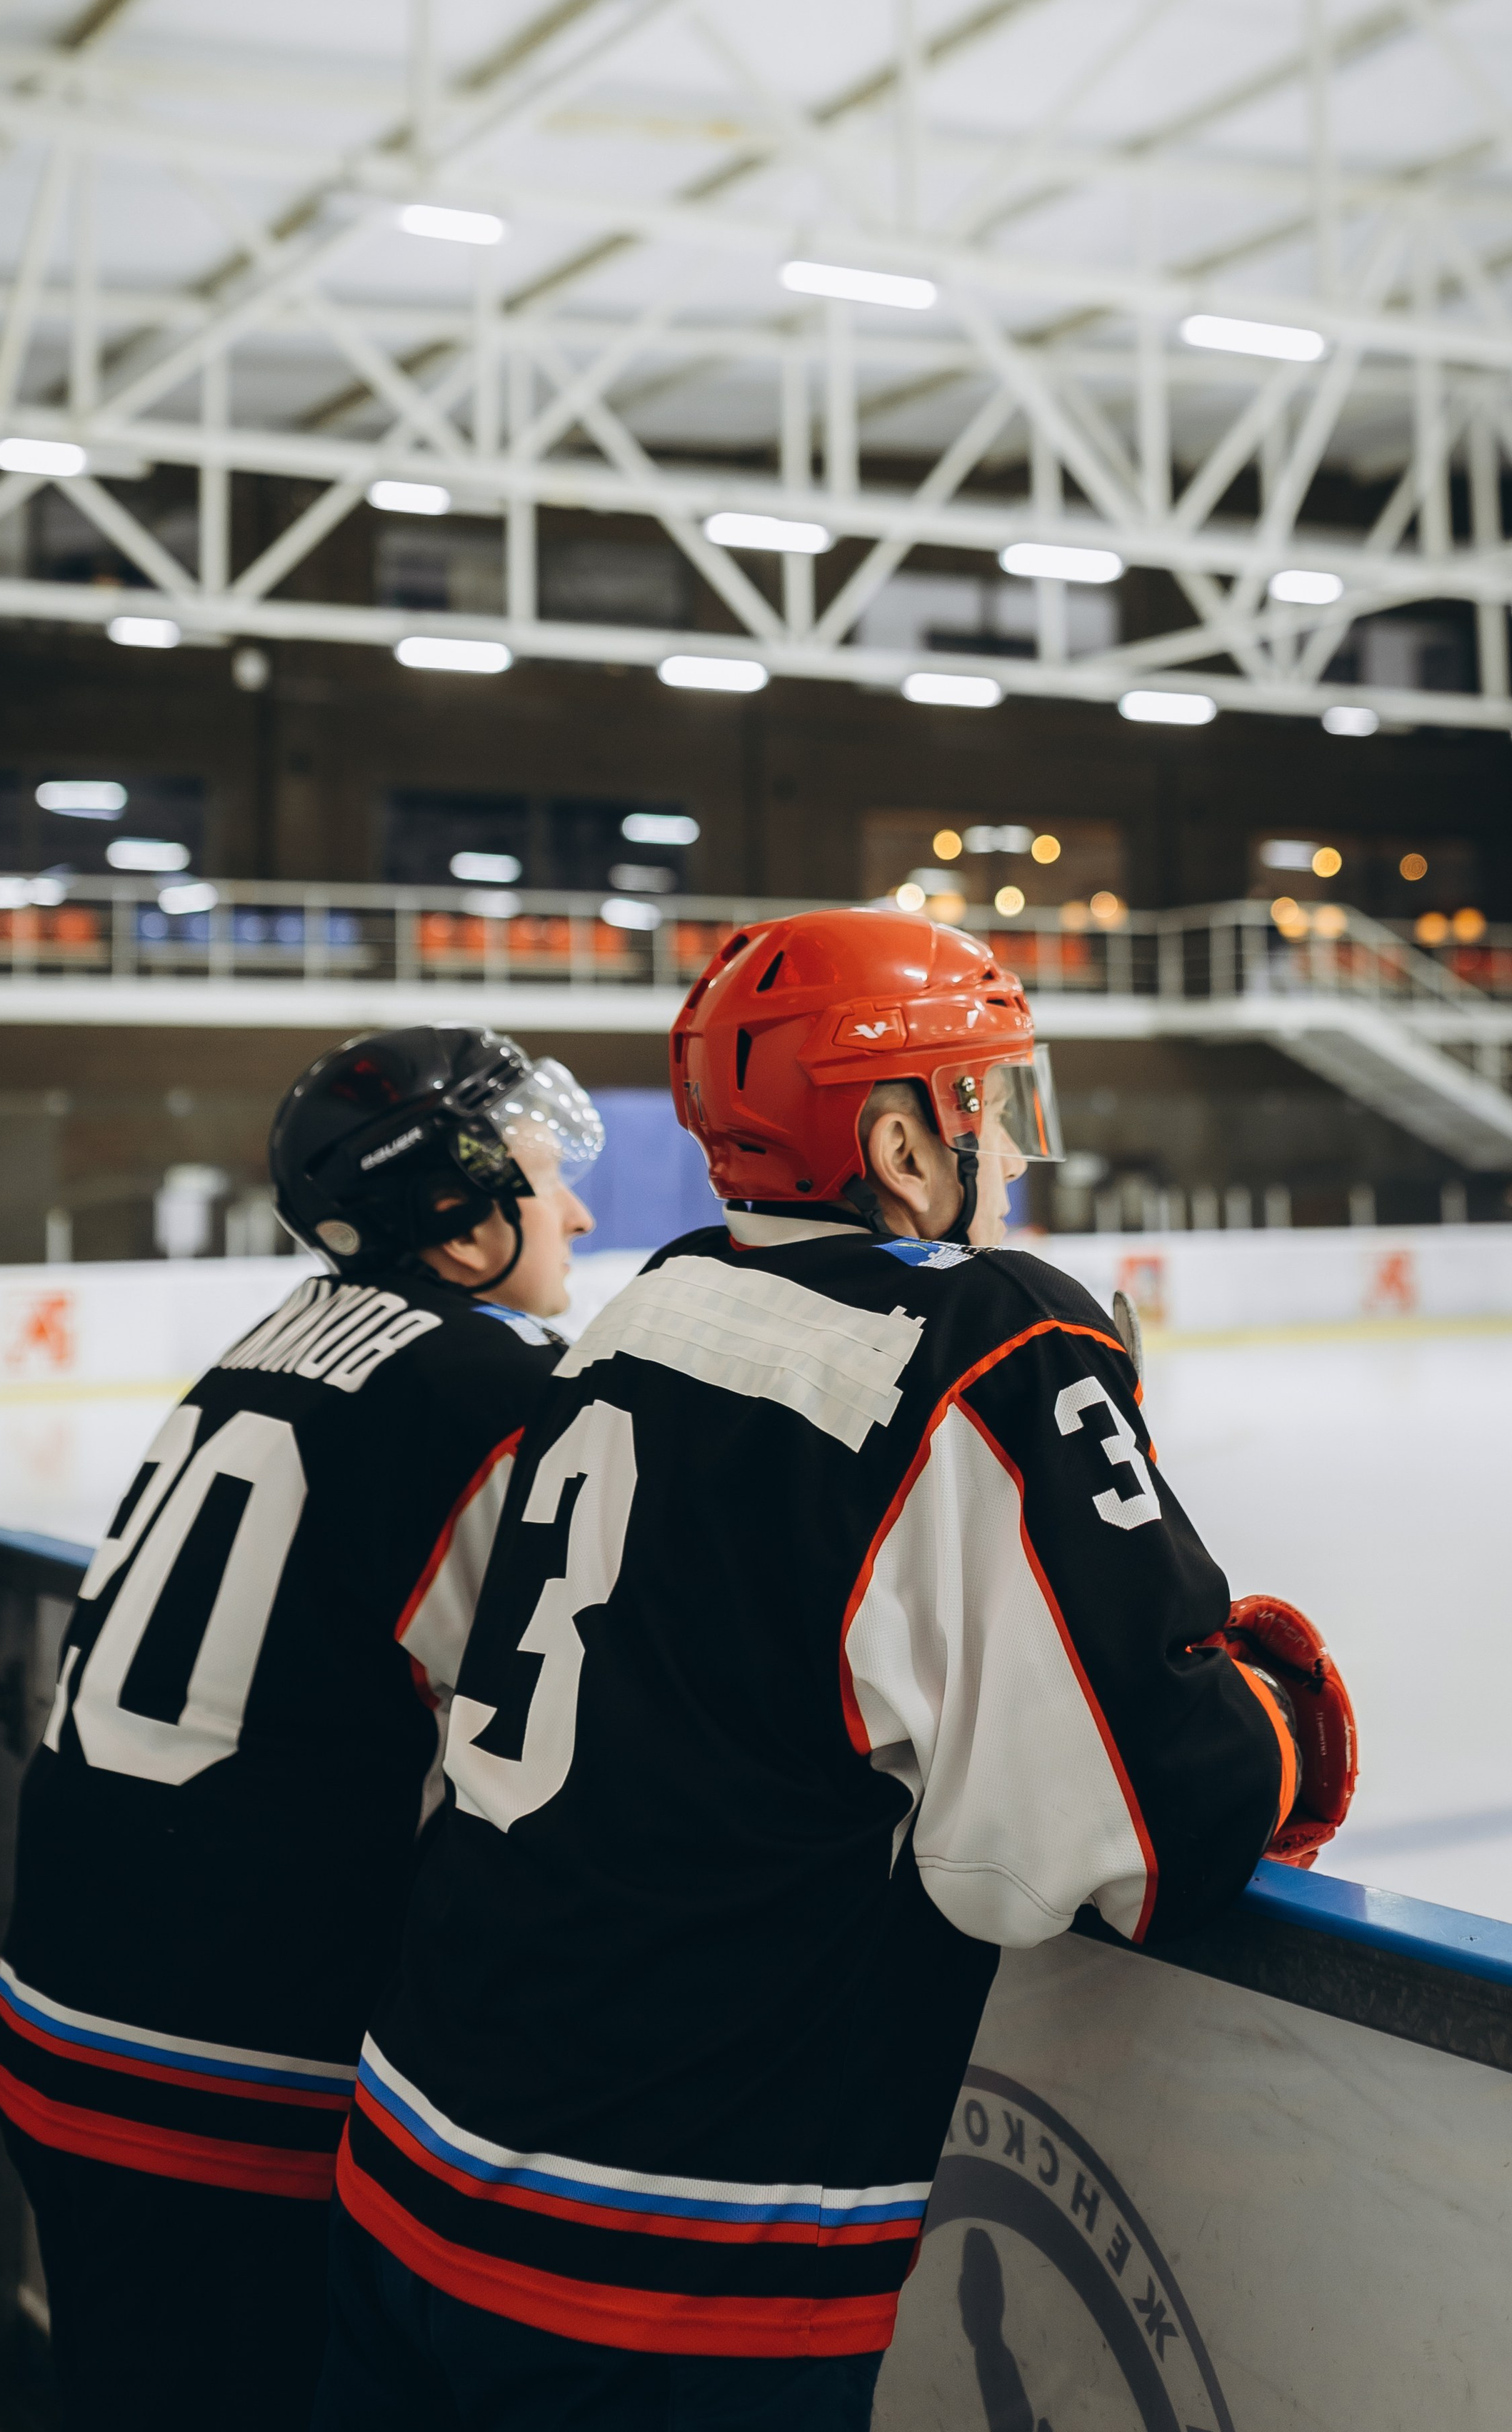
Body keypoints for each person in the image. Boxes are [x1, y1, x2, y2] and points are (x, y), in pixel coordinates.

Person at [319, 911, 1356, 2431]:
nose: (1004, 1143)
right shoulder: (985, 1339)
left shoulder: (643, 1310)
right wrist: (1280, 1714)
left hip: (409, 2155)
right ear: (896, 1141)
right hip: (656, 2252)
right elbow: (1128, 1822)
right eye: (982, 1101)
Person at [0, 1026, 601, 2432]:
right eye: (546, 1177)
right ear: (454, 1222)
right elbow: (587, 1717)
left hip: (58, 2019)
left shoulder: (271, 1345)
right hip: (227, 2080)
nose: (571, 1211)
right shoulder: (481, 1394)